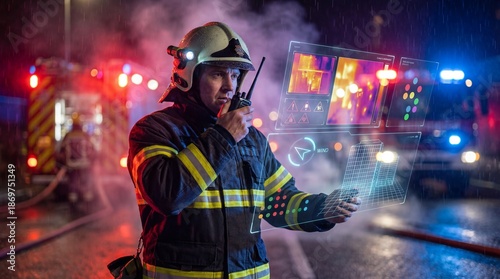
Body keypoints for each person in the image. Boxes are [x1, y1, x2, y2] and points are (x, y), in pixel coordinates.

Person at [127, 21, 361, 279]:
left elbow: (279, 203)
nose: (230, 85)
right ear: (189, 78)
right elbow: (167, 195)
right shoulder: (154, 131)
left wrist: (323, 209)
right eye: (218, 74)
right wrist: (224, 137)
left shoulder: (253, 140)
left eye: (235, 75)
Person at [57, 112, 96, 204]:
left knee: (73, 178)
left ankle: (73, 196)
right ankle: (87, 196)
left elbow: (62, 150)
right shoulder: (85, 135)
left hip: (71, 164)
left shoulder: (68, 135)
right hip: (84, 163)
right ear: (80, 124)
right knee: (85, 178)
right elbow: (92, 149)